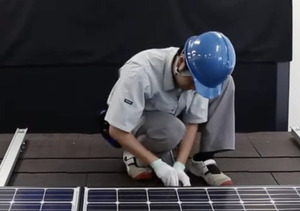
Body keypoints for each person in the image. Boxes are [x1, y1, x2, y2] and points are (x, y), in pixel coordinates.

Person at [100, 31, 236, 187]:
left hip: (172, 114)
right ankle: (135, 154)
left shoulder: (199, 74)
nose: (197, 90)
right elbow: (116, 130)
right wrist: (158, 165)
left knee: (226, 83)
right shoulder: (138, 73)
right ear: (181, 63)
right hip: (134, 122)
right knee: (173, 130)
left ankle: (203, 159)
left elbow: (192, 122)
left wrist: (180, 165)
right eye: (194, 85)